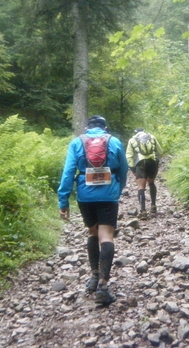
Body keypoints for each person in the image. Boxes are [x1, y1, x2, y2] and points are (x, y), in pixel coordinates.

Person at [58, 115, 128, 305]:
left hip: (85, 195)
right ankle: (103, 286)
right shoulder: (114, 141)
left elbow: (68, 172)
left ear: (87, 128)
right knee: (106, 236)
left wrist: (63, 200)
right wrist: (118, 189)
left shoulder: (76, 143)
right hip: (108, 195)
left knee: (92, 232)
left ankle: (94, 277)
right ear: (105, 128)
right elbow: (124, 169)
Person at [126, 128, 163, 219]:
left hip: (140, 163)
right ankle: (153, 206)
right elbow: (160, 151)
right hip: (152, 162)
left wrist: (133, 169)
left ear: (135, 133)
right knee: (151, 183)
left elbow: (129, 156)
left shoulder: (132, 140)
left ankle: (143, 211)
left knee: (141, 187)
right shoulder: (152, 137)